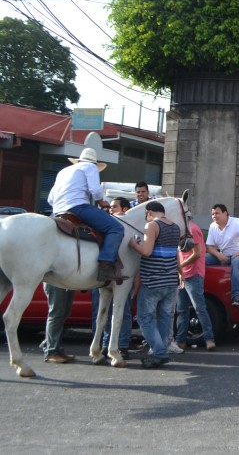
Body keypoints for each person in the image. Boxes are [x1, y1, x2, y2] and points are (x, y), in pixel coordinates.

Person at [47, 148, 124, 282]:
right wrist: (102, 202)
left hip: (57, 211)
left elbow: (50, 199)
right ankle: (105, 266)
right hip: (78, 207)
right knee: (116, 228)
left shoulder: (63, 171)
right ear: (94, 163)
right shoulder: (90, 166)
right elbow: (95, 190)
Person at [129, 201, 181, 369]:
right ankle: (162, 350)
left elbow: (146, 251)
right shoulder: (175, 227)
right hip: (171, 281)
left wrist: (132, 243)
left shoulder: (152, 225)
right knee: (165, 317)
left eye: (146, 215)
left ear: (149, 212)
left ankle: (159, 352)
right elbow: (175, 255)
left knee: (144, 317)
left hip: (153, 280)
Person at [90, 196, 135, 357]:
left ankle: (121, 344)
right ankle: (105, 344)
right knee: (102, 312)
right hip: (107, 277)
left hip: (118, 275)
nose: (111, 209)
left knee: (123, 312)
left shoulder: (123, 229)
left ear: (124, 209)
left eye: (115, 207)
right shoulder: (105, 227)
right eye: (111, 206)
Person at [175, 219, 217, 351]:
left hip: (193, 274)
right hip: (183, 274)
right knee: (182, 310)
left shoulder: (193, 229)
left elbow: (197, 253)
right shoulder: (182, 230)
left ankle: (209, 339)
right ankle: (181, 340)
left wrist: (179, 266)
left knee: (199, 308)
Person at [206, 204, 239, 307]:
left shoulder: (236, 222)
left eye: (217, 213)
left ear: (225, 213)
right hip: (225, 256)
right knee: (203, 259)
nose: (214, 216)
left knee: (237, 261)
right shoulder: (212, 226)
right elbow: (209, 247)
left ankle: (237, 297)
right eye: (212, 214)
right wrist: (219, 255)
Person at [41, 284, 76, 364]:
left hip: (66, 281)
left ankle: (55, 348)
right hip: (55, 281)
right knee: (56, 313)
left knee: (64, 312)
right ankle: (51, 352)